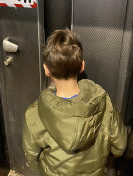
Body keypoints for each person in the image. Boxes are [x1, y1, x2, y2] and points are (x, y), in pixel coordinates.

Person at [22, 28, 127, 176]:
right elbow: (120, 146)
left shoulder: (34, 113)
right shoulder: (105, 104)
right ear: (82, 66)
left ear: (46, 70)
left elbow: (32, 155)